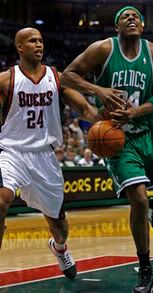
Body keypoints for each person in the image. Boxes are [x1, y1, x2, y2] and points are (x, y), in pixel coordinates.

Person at [61, 6, 153, 292]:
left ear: (143, 27)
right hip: (118, 139)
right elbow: (66, 78)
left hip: (148, 132)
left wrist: (139, 113)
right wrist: (99, 91)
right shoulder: (102, 50)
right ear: (117, 26)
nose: (132, 18)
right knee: (138, 199)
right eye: (125, 16)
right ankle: (146, 268)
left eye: (136, 16)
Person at [0, 27, 101, 280]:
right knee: (1, 200)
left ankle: (59, 248)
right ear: (19, 47)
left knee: (58, 223)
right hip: (11, 151)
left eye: (41, 40)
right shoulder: (6, 79)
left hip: (45, 156)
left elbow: (86, 110)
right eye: (32, 41)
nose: (39, 44)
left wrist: (104, 119)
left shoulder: (56, 78)